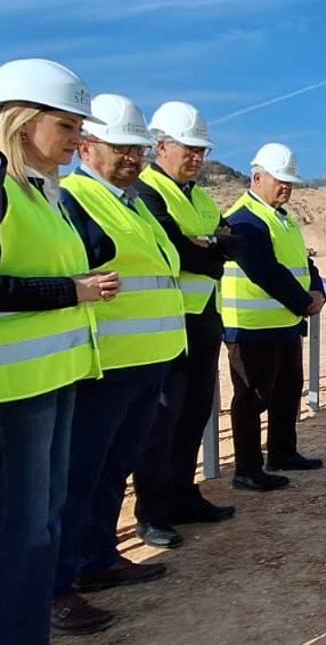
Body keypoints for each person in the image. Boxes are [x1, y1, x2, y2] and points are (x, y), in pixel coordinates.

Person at [55, 94, 188, 628]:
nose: (132, 157)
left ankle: (97, 559)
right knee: (79, 478)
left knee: (112, 471)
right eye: (120, 147)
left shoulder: (132, 204)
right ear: (86, 146)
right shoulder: (75, 199)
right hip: (104, 366)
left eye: (136, 148)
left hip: (147, 361)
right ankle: (61, 586)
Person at [0, 59, 111, 640]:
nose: (77, 139)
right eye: (66, 126)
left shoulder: (43, 194)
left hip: (54, 378)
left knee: (40, 524)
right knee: (19, 530)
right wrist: (70, 291)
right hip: (13, 391)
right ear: (21, 122)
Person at [131, 102, 237, 550]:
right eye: (188, 149)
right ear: (160, 146)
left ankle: (184, 494)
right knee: (162, 422)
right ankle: (152, 511)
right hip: (170, 324)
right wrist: (209, 247)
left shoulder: (200, 196)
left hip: (204, 321)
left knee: (195, 412)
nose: (196, 158)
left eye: (201, 151)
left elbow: (233, 240)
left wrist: (211, 244)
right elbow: (178, 252)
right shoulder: (147, 191)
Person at [221, 143, 326, 492]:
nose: (286, 187)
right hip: (251, 329)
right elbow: (265, 271)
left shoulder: (283, 219)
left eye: (290, 182)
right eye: (280, 180)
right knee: (250, 399)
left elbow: (303, 262)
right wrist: (303, 302)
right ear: (257, 177)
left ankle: (282, 452)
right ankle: (247, 468)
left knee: (286, 392)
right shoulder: (244, 219)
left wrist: (318, 291)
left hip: (283, 326)